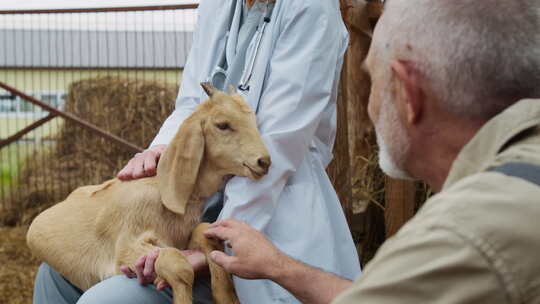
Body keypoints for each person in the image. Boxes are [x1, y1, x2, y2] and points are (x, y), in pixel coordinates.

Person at [203, 0, 540, 303]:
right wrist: (278, 266)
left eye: (372, 78)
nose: (371, 101)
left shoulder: (462, 237)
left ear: (409, 94)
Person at [33, 0, 361, 303]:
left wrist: (212, 249)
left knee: (108, 299)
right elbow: (193, 102)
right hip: (193, 205)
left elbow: (278, 146)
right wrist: (163, 151)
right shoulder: (219, 4)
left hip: (264, 214)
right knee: (54, 276)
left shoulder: (311, 8)